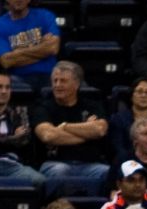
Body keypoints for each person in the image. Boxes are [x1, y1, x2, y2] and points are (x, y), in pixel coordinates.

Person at [32, 62, 110, 196]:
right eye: (55, 81)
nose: (57, 85)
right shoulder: (43, 107)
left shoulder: (92, 106)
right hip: (54, 163)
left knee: (108, 172)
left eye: (63, 81)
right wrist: (87, 133)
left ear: (77, 84)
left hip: (90, 164)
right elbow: (48, 136)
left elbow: (100, 130)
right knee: (60, 171)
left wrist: (64, 127)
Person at [0, 0, 59, 83]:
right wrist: (42, 47)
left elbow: (53, 48)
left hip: (49, 75)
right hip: (18, 78)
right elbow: (6, 61)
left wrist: (17, 52)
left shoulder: (46, 16)